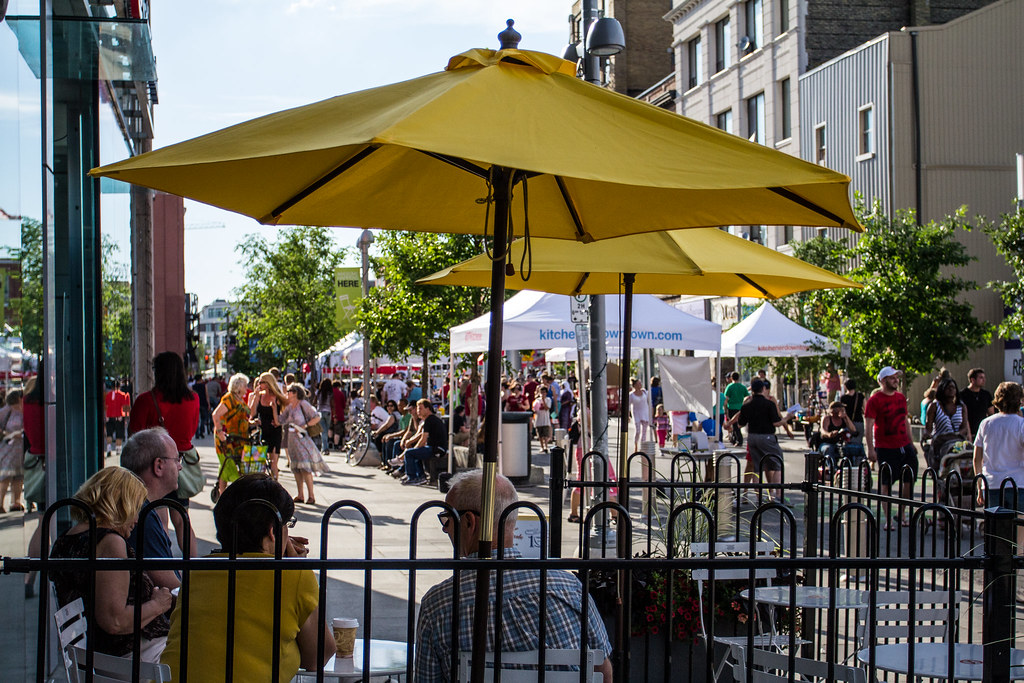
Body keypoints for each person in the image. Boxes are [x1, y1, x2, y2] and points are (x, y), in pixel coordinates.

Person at [415, 470, 612, 683]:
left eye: (447, 519)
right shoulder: (569, 588)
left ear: (469, 522)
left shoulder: (440, 605)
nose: (445, 530)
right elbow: (603, 670)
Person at [161, 474, 335, 681]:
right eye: (287, 525)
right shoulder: (292, 576)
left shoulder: (197, 572)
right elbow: (318, 657)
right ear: (273, 532)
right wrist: (296, 568)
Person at [50, 467, 173, 662]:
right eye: (136, 507)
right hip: (132, 658)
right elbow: (114, 621)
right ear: (121, 504)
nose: (137, 518)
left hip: (108, 656)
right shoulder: (109, 542)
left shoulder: (66, 539)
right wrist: (158, 605)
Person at [129, 351, 201, 557]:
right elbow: (192, 430)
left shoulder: (146, 400)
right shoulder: (193, 399)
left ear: (158, 372)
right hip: (181, 464)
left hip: (152, 466)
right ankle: (192, 567)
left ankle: (162, 565)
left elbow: (134, 435)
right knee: (182, 519)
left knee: (158, 520)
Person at [121, 427, 184, 590]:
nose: (180, 467)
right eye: (177, 460)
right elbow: (170, 588)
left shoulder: (138, 506)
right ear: (159, 466)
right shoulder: (142, 516)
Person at [865, 366, 917, 529]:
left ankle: (901, 513)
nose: (896, 380)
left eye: (897, 377)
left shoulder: (900, 398)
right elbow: (869, 426)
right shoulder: (875, 400)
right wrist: (871, 449)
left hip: (904, 445)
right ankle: (888, 519)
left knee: (909, 479)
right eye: (892, 378)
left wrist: (911, 443)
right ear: (883, 380)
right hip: (885, 447)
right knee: (886, 484)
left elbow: (905, 421)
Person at [726, 378, 787, 502]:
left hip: (752, 437)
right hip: (767, 436)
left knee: (757, 467)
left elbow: (740, 424)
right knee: (777, 463)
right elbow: (776, 422)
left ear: (751, 390)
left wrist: (731, 423)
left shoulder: (747, 405)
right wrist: (787, 419)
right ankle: (778, 495)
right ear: (763, 389)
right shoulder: (769, 404)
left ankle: (758, 497)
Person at [974, 382, 1024, 511]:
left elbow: (977, 459)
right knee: (1018, 522)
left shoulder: (986, 423)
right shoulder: (1021, 424)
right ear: (1019, 400)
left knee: (994, 523)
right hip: (1018, 483)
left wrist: (979, 487)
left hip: (991, 484)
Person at [279, 384, 327, 504]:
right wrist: (274, 408)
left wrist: (305, 425)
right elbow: (281, 420)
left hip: (302, 439)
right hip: (292, 440)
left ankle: (311, 495)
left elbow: (317, 417)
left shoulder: (303, 404)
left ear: (296, 393)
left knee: (305, 467)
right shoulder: (289, 407)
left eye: (290, 391)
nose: (287, 393)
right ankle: (300, 494)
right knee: (296, 468)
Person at [212, 373, 253, 497]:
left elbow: (242, 416)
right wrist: (220, 433)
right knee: (229, 465)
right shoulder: (229, 398)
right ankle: (227, 496)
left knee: (226, 465)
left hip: (238, 439)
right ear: (238, 386)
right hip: (226, 438)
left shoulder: (239, 399)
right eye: (245, 386)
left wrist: (252, 422)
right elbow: (216, 415)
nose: (246, 388)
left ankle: (222, 495)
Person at [924, 376, 972, 469]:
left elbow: (964, 427)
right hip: (940, 441)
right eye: (948, 387)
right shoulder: (934, 406)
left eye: (953, 387)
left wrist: (958, 434)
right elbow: (928, 427)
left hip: (957, 441)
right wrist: (927, 435)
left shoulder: (961, 406)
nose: (951, 390)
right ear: (942, 389)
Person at [400, 399, 448, 486]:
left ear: (428, 408)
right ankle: (421, 476)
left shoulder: (429, 420)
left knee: (409, 453)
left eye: (420, 408)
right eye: (418, 409)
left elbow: (423, 439)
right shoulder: (430, 419)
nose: (418, 411)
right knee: (416, 453)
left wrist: (414, 449)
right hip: (436, 448)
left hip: (437, 449)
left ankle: (412, 477)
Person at [250, 371, 287, 480]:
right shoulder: (259, 396)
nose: (259, 384)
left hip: (274, 431)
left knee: (273, 462)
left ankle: (274, 483)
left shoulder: (277, 397)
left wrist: (275, 409)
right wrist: (256, 398)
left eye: (261, 382)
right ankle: (261, 483)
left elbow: (283, 415)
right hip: (261, 431)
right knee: (258, 462)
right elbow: (252, 413)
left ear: (268, 383)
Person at [0, 389, 25, 512]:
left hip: (20, 449)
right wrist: (7, 434)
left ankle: (16, 502)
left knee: (18, 476)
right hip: (8, 448)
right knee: (6, 476)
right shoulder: (6, 411)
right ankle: (0, 502)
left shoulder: (22, 410)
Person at [960, 368, 995, 439]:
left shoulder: (986, 395)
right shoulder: (963, 394)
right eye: (981, 378)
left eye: (984, 377)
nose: (984, 380)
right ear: (972, 380)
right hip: (968, 433)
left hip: (983, 432)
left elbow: (991, 414)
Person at [104, 380, 131, 459]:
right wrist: (126, 417)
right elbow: (125, 407)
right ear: (119, 386)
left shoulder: (108, 395)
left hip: (109, 416)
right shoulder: (122, 395)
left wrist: (106, 416)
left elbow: (106, 406)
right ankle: (118, 449)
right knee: (119, 433)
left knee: (109, 433)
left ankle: (109, 448)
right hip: (119, 416)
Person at [724, 372, 749, 446]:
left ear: (731, 378)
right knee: (738, 424)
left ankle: (739, 440)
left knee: (734, 424)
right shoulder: (742, 387)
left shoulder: (729, 387)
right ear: (738, 378)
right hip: (740, 407)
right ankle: (735, 438)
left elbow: (726, 399)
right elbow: (747, 396)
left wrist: (725, 408)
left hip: (731, 407)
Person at [840, 379, 866, 447]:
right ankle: (859, 453)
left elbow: (842, 412)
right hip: (859, 421)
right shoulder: (860, 396)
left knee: (848, 442)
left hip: (847, 423)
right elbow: (866, 409)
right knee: (859, 442)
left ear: (846, 386)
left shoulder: (843, 398)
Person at [629, 378, 652, 450]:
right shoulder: (631, 395)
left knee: (644, 432)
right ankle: (636, 444)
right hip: (636, 414)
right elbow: (628, 406)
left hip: (644, 413)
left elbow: (649, 401)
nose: (640, 385)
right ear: (635, 385)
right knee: (638, 431)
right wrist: (628, 416)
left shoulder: (644, 392)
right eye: (638, 384)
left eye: (640, 383)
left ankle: (642, 447)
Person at [314, 378, 334, 454]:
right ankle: (325, 448)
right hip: (328, 412)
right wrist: (334, 415)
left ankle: (324, 448)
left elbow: (314, 402)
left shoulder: (318, 392)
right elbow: (332, 404)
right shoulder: (330, 393)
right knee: (326, 430)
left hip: (320, 412)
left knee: (323, 431)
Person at [330, 379, 348, 450]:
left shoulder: (330, 393)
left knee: (330, 428)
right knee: (337, 431)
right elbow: (343, 405)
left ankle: (330, 441)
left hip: (330, 414)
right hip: (339, 414)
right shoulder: (341, 393)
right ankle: (336, 445)